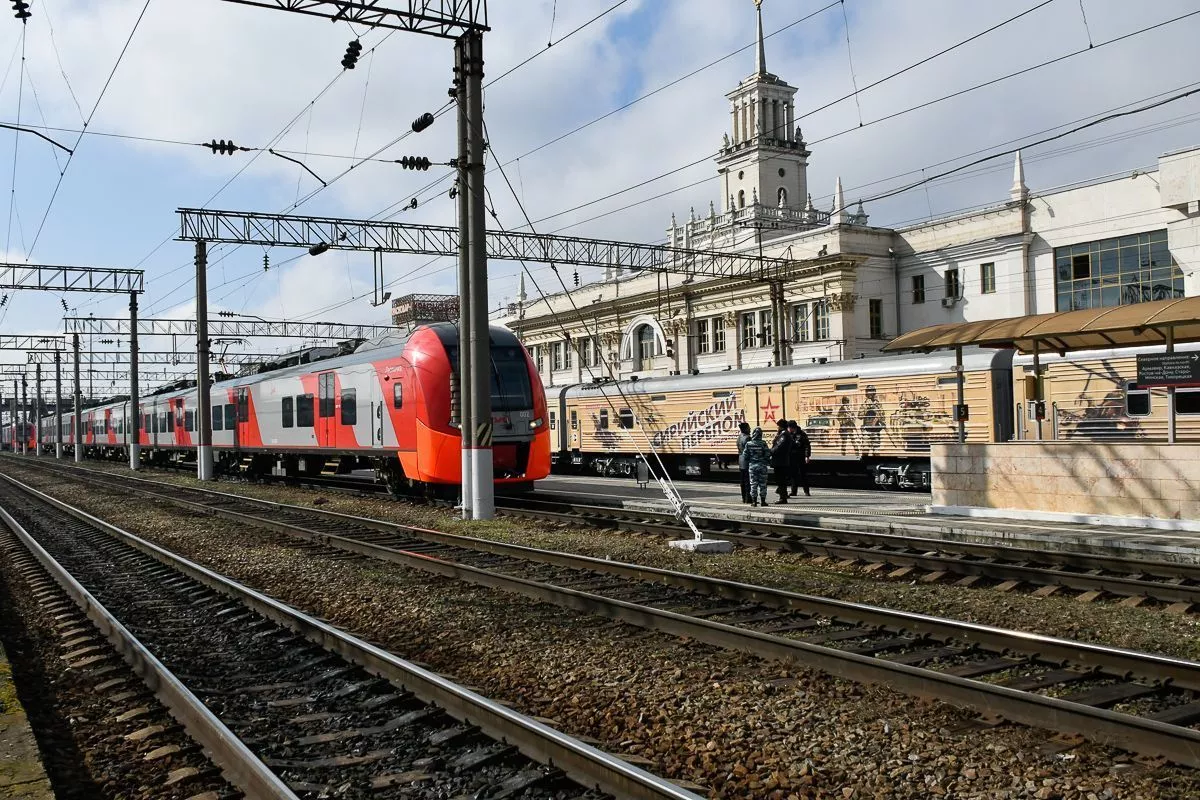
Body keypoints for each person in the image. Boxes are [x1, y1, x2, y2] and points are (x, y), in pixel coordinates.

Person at [742, 427, 771, 507]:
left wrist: (751, 460)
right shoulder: (763, 443)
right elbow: (767, 454)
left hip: (752, 466)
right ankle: (763, 501)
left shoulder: (749, 444)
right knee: (763, 484)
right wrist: (764, 460)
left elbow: (745, 455)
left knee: (753, 484)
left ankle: (754, 501)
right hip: (762, 466)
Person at [769, 418, 792, 504]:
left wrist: (770, 452)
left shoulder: (784, 435)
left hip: (780, 461)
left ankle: (783, 498)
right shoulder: (783, 434)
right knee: (781, 480)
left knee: (780, 480)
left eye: (778, 426)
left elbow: (779, 447)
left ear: (781, 427)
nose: (777, 428)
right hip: (780, 461)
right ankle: (783, 495)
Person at [786, 419, 811, 497]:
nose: (788, 429)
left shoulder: (801, 434)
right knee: (793, 475)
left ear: (792, 427)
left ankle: (806, 491)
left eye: (789, 427)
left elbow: (807, 445)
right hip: (792, 457)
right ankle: (794, 491)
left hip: (800, 456)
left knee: (803, 474)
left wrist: (807, 456)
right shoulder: (788, 434)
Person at [736, 421, 752, 504]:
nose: (750, 429)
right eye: (748, 428)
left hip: (741, 460)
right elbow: (749, 450)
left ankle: (743, 497)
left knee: (742, 481)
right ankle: (748, 498)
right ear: (745, 429)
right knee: (747, 481)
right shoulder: (748, 438)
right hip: (747, 461)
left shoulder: (739, 437)